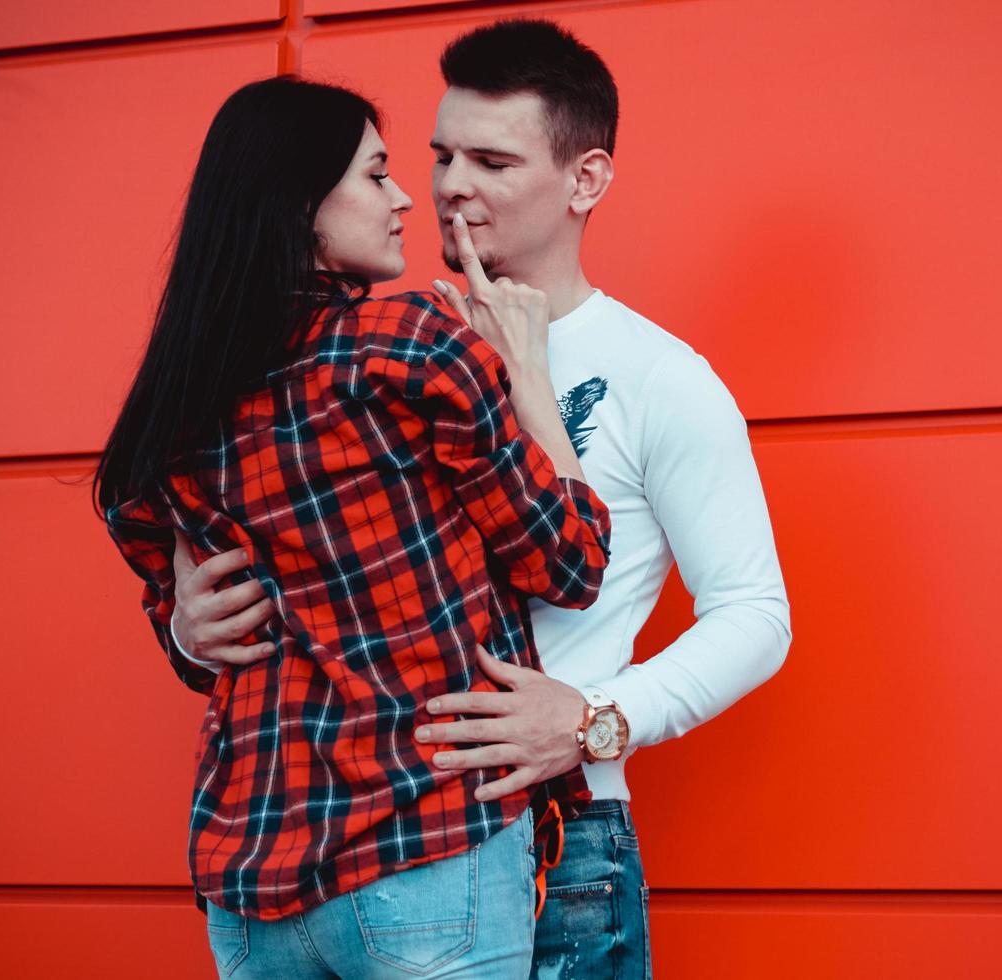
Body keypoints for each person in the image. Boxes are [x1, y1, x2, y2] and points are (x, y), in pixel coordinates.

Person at [172, 18, 793, 977]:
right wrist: (189, 629)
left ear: (584, 180)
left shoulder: (657, 375)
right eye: (440, 155)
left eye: (493, 160)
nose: (452, 185)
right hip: (345, 841)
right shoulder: (366, 348)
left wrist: (591, 718)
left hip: (554, 830)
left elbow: (754, 615)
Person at [95, 75, 610, 978]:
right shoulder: (406, 344)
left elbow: (184, 617)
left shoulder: (178, 404)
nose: (409, 195)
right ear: (302, 205)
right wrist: (528, 378)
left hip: (253, 875)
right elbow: (570, 558)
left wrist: (182, 631)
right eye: (377, 175)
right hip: (423, 842)